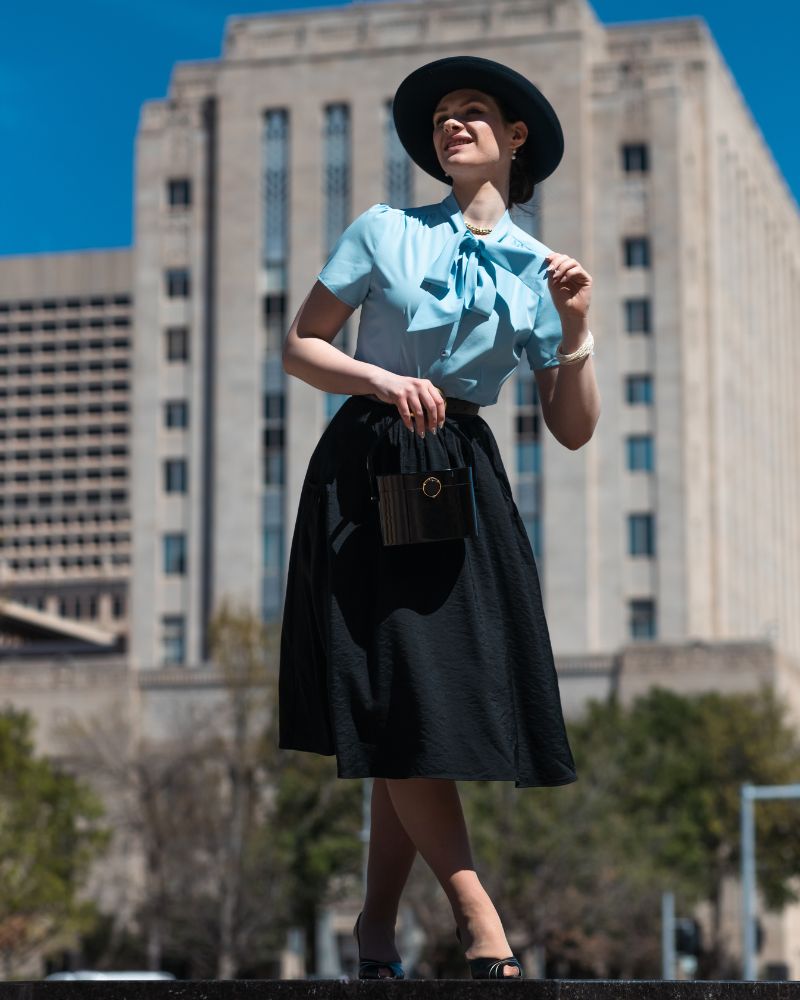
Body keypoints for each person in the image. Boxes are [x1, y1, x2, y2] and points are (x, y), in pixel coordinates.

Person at [278, 55, 601, 980]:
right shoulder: (382, 230)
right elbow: (301, 343)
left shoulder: (544, 269)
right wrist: (379, 378)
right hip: (371, 463)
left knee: (414, 701)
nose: (450, 125)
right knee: (405, 686)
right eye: (441, 117)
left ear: (516, 136)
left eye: (472, 112)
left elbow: (572, 431)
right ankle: (478, 917)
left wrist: (576, 329)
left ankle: (374, 931)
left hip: (460, 472)